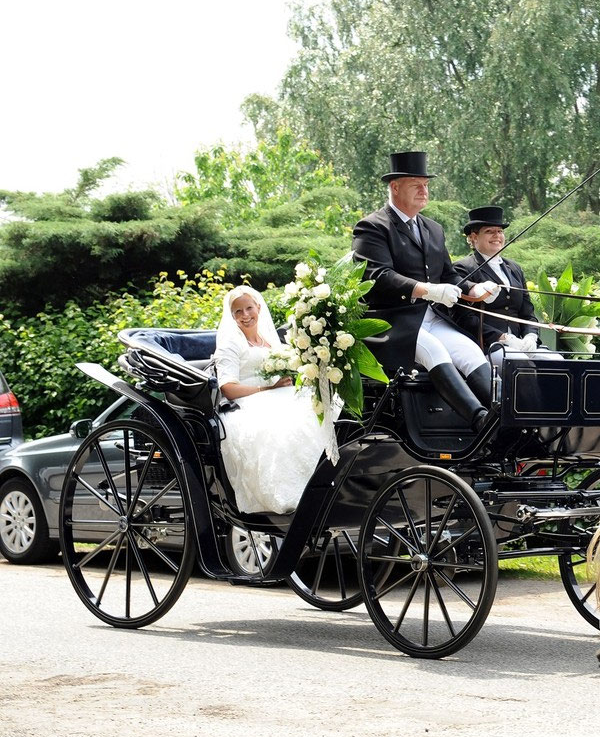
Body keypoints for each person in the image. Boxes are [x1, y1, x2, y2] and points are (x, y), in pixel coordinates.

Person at [351, 151, 501, 431]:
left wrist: (474, 287)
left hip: (431, 318)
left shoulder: (433, 229)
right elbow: (378, 276)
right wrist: (426, 290)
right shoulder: (372, 226)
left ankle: (505, 418)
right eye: (416, 185)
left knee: (469, 352)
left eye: (426, 185)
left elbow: (448, 274)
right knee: (434, 351)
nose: (424, 190)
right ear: (395, 187)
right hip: (393, 321)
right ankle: (480, 421)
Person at [212, 285, 329, 514]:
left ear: (258, 308)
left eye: (248, 308)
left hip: (278, 394)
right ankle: (293, 495)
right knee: (280, 428)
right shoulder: (230, 344)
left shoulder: (270, 341)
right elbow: (228, 388)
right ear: (232, 316)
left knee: (320, 409)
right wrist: (265, 388)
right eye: (238, 312)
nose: (245, 315)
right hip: (247, 401)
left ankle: (326, 485)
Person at [451, 205, 548, 355]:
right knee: (521, 367)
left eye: (500, 231)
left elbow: (528, 313)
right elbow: (464, 318)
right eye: (489, 231)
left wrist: (531, 336)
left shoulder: (515, 268)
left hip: (521, 344)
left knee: (555, 362)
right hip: (486, 346)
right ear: (474, 237)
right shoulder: (463, 268)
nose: (497, 236)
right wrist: (503, 338)